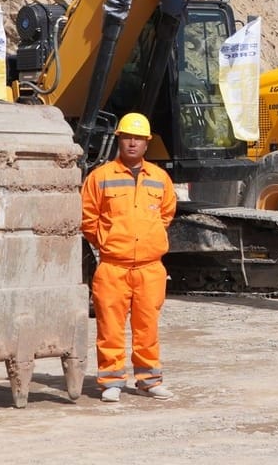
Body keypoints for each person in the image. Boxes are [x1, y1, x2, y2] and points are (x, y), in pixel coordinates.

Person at [81, 113, 178, 402]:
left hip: (150, 268)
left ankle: (149, 380)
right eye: (127, 137)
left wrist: (149, 239)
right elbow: (88, 218)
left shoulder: (160, 179)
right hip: (113, 267)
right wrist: (109, 243)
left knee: (147, 326)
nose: (132, 143)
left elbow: (166, 214)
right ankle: (112, 380)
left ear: (147, 143)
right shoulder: (100, 177)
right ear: (119, 140)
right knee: (109, 327)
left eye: (138, 138)